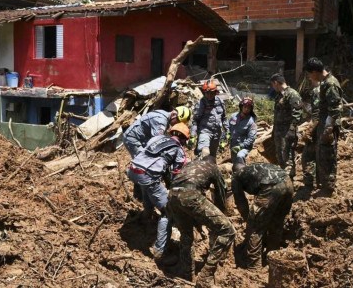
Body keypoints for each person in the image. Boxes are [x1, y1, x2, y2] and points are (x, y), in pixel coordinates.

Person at [126, 122, 190, 264]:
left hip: (133, 169)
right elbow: (176, 174)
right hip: (147, 175)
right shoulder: (178, 149)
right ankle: (160, 252)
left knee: (148, 189)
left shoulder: (157, 138)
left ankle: (146, 219)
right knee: (168, 211)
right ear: (184, 139)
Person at [167, 157, 236, 287]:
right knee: (228, 231)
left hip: (172, 196)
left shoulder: (189, 165)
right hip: (190, 194)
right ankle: (206, 276)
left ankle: (187, 274)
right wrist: (221, 217)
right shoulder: (213, 168)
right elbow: (221, 195)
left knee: (186, 235)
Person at [231, 162, 294, 270]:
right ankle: (272, 258)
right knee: (277, 223)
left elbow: (241, 202)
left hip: (271, 186)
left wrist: (250, 220)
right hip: (288, 182)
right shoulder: (256, 167)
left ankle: (253, 266)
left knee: (255, 228)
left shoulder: (236, 176)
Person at [304, 57, 343, 196]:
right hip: (324, 124)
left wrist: (328, 128)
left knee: (328, 156)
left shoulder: (330, 84)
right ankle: (324, 185)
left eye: (309, 74)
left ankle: (328, 188)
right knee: (322, 155)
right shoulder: (325, 83)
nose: (309, 77)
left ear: (315, 72)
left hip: (329, 126)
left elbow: (335, 108)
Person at [123, 106, 191, 158]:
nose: (176, 124)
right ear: (174, 115)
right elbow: (157, 142)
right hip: (133, 138)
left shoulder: (164, 115)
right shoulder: (161, 121)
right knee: (142, 159)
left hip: (142, 138)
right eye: (178, 122)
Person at [270, 73, 303, 178]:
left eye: (272, 85)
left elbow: (297, 113)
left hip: (287, 131)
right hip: (279, 131)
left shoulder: (292, 94)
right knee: (280, 156)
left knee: (287, 156)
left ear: (276, 83)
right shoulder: (279, 95)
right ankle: (285, 177)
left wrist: (292, 130)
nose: (272, 87)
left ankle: (288, 179)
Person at [189, 80, 228, 158]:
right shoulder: (201, 103)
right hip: (205, 131)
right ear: (204, 92)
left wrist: (227, 131)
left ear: (215, 92)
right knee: (205, 152)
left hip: (217, 133)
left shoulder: (220, 101)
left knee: (212, 157)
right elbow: (195, 120)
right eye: (207, 93)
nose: (210, 95)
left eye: (212, 93)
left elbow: (224, 118)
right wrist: (193, 135)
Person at [226, 97, 258, 166]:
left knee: (240, 156)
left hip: (244, 146)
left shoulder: (251, 122)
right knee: (235, 164)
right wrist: (225, 136)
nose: (246, 109)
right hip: (233, 145)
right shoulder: (233, 116)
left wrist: (241, 146)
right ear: (241, 106)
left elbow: (251, 138)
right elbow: (227, 127)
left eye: (249, 108)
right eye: (245, 107)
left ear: (251, 109)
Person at [301, 78, 320, 190]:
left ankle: (309, 184)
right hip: (320, 131)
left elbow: (316, 116)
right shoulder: (323, 91)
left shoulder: (317, 92)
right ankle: (319, 183)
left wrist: (308, 132)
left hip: (316, 132)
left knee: (307, 158)